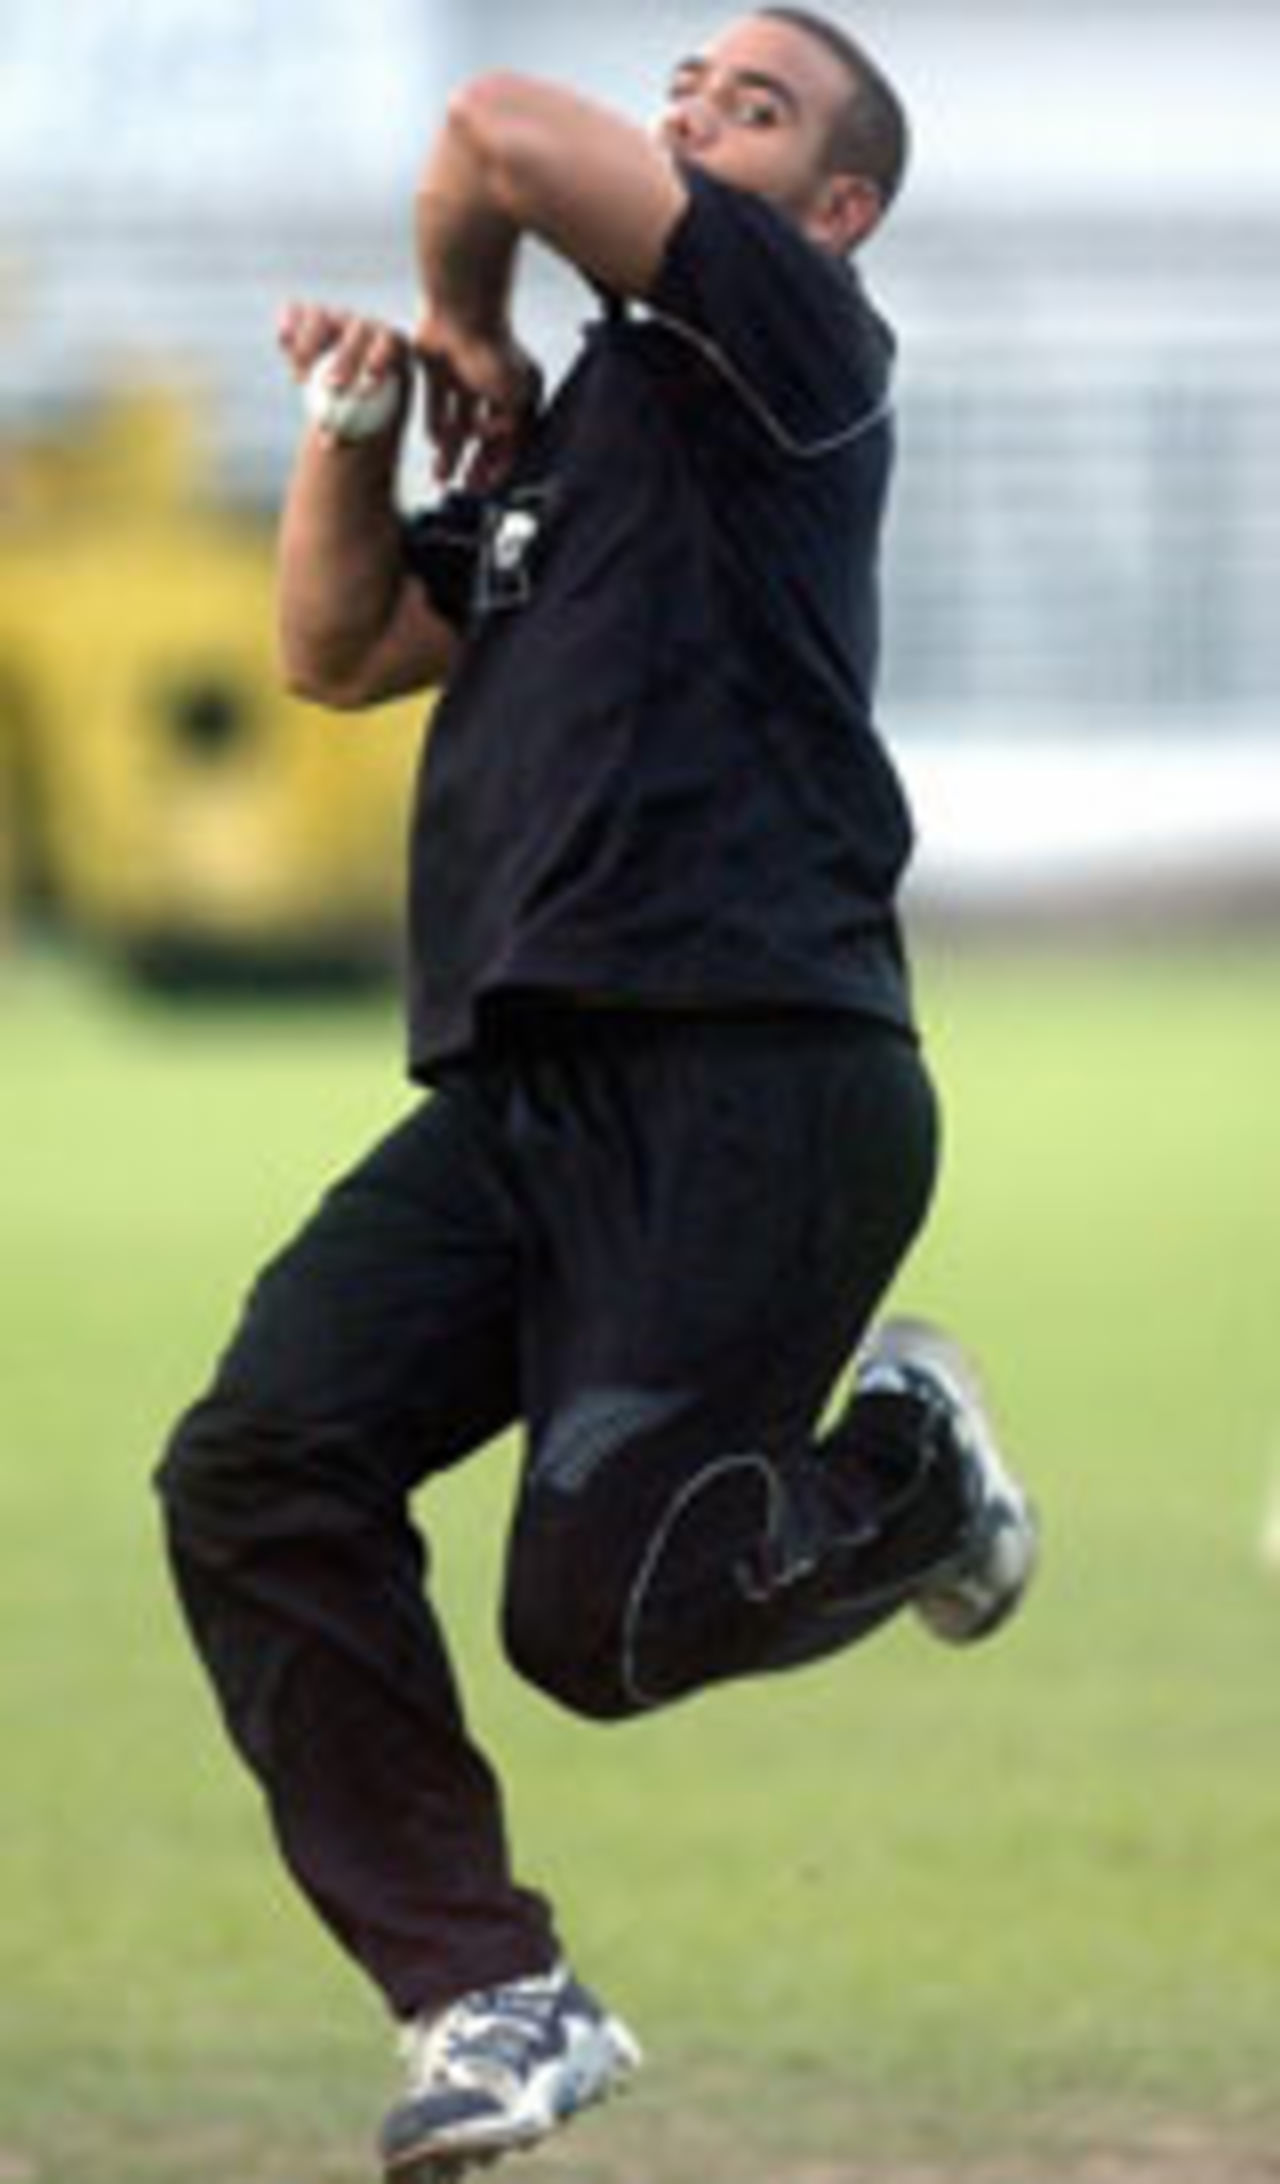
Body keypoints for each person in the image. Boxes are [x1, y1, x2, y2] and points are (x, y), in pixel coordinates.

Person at [156, 10, 1038, 2179]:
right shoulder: (578, 439)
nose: (687, 115)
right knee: (257, 1468)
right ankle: (491, 1992)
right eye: (685, 88)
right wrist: (364, 416)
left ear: (834, 210)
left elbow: (492, 131)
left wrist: (459, 311)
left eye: (749, 107)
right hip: (530, 1091)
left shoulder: (787, 344)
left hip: (762, 1066)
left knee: (598, 1631)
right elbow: (338, 651)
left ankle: (909, 1475)